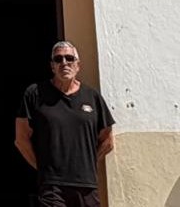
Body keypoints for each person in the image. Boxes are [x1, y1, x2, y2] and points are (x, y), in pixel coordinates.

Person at [15, 40, 115, 207]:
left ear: (78, 65)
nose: (64, 63)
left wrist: (89, 163)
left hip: (87, 186)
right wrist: (42, 169)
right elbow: (21, 139)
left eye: (69, 58)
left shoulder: (93, 97)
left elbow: (108, 140)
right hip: (52, 187)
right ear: (52, 66)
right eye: (58, 59)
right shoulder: (34, 94)